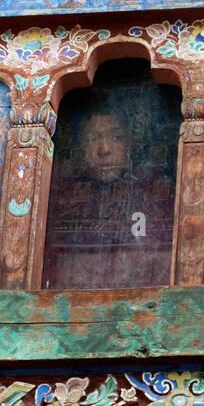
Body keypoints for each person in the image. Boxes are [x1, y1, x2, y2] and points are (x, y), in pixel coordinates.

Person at [42, 100, 176, 290]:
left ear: (131, 142)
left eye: (116, 137)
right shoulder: (59, 199)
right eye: (92, 138)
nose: (104, 149)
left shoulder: (158, 193)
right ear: (79, 148)